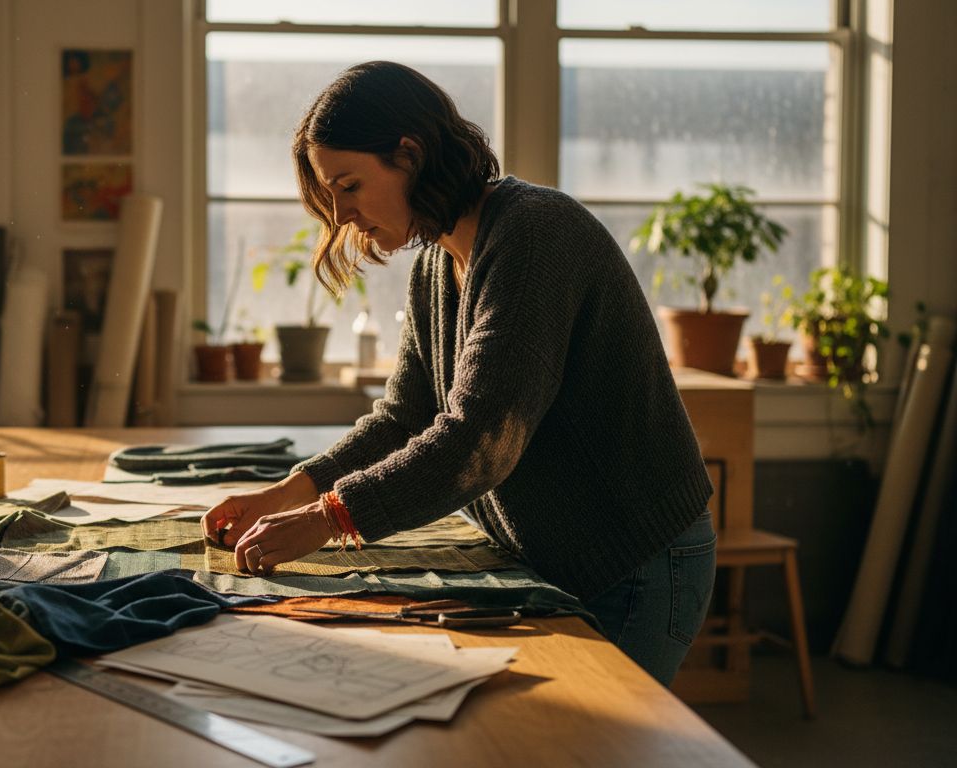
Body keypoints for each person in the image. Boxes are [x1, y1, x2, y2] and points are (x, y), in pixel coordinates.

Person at [200, 61, 716, 685]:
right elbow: (402, 420)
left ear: (410, 155)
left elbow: (481, 437)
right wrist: (290, 492)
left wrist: (329, 518)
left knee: (593, 734)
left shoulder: (535, 234)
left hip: (633, 560)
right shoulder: (435, 264)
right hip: (552, 554)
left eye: (350, 185)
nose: (341, 215)